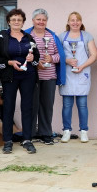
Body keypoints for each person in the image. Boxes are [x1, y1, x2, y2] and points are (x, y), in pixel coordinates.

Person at [0, 8, 40, 154]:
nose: (16, 22)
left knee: (27, 107)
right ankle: (8, 141)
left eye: (19, 19)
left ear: (23, 22)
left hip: (28, 76)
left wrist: (32, 59)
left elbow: (36, 57)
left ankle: (27, 139)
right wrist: (9, 62)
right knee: (8, 107)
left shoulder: (29, 37)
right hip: (9, 76)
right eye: (13, 19)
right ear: (8, 21)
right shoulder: (2, 37)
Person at [25, 9, 66, 145]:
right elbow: (22, 55)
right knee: (32, 106)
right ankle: (29, 134)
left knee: (47, 106)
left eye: (43, 20)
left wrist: (51, 58)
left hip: (49, 77)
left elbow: (60, 56)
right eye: (38, 19)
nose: (41, 22)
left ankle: (45, 133)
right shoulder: (27, 35)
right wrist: (36, 63)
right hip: (31, 77)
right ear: (33, 20)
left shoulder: (52, 36)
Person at [58, 12, 97, 143]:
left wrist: (82, 66)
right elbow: (56, 55)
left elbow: (94, 55)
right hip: (67, 74)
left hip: (82, 73)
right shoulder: (62, 36)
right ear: (68, 22)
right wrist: (67, 61)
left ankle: (84, 131)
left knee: (82, 104)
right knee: (67, 105)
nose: (75, 22)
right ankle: (66, 131)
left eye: (77, 20)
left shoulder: (87, 36)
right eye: (72, 20)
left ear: (81, 22)